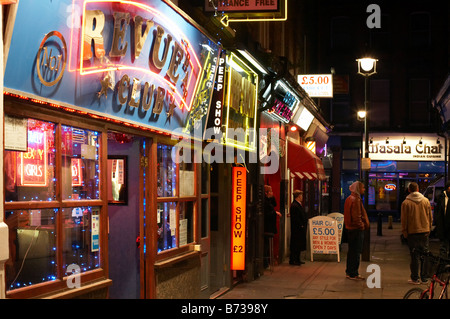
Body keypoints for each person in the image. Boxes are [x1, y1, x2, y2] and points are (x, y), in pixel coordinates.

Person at [401, 182, 432, 284]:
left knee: (414, 256)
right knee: (425, 255)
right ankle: (424, 277)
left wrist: (404, 232)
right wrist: (429, 228)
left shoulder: (406, 203)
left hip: (412, 232)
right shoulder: (426, 201)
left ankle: (415, 278)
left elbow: (404, 219)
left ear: (409, 190)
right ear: (418, 189)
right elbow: (429, 217)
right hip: (424, 232)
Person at [344, 181, 370, 280]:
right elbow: (357, 216)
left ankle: (349, 271)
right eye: (363, 188)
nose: (364, 189)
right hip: (356, 230)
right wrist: (362, 226)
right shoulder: (356, 200)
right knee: (356, 252)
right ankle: (354, 273)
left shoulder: (349, 198)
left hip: (350, 228)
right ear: (358, 189)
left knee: (351, 251)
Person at [263, 185, 281, 268]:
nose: (272, 193)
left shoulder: (269, 201)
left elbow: (274, 204)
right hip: (267, 226)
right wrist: (275, 213)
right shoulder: (265, 202)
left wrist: (272, 196)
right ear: (266, 193)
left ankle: (266, 262)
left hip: (270, 226)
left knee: (267, 245)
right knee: (265, 245)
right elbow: (267, 214)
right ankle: (265, 262)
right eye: (270, 191)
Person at [289, 190, 307, 265]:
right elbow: (295, 218)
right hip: (297, 228)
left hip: (299, 228)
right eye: (301, 195)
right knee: (296, 244)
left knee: (298, 244)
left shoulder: (297, 204)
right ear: (299, 196)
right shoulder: (295, 206)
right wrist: (301, 225)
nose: (302, 197)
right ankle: (294, 260)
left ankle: (297, 259)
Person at [434, 181, 450, 258]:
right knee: (443, 246)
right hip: (443, 225)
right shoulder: (441, 197)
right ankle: (443, 265)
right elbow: (437, 212)